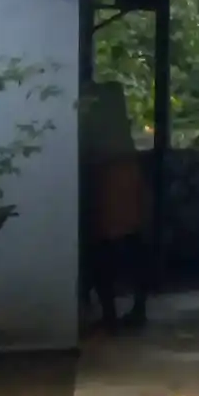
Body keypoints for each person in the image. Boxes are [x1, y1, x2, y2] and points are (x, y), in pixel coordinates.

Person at [79, 78, 149, 330]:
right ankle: (133, 309)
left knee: (104, 252)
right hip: (124, 177)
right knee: (129, 248)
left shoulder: (96, 118)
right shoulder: (117, 122)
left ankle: (111, 315)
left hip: (109, 180)